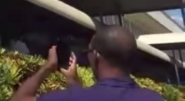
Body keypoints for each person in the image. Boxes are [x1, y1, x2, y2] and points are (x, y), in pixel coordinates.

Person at [10, 25, 164, 101]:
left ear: (96, 55)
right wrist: (73, 83)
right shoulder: (153, 98)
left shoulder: (71, 97)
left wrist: (47, 67)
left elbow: (20, 98)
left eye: (88, 52)